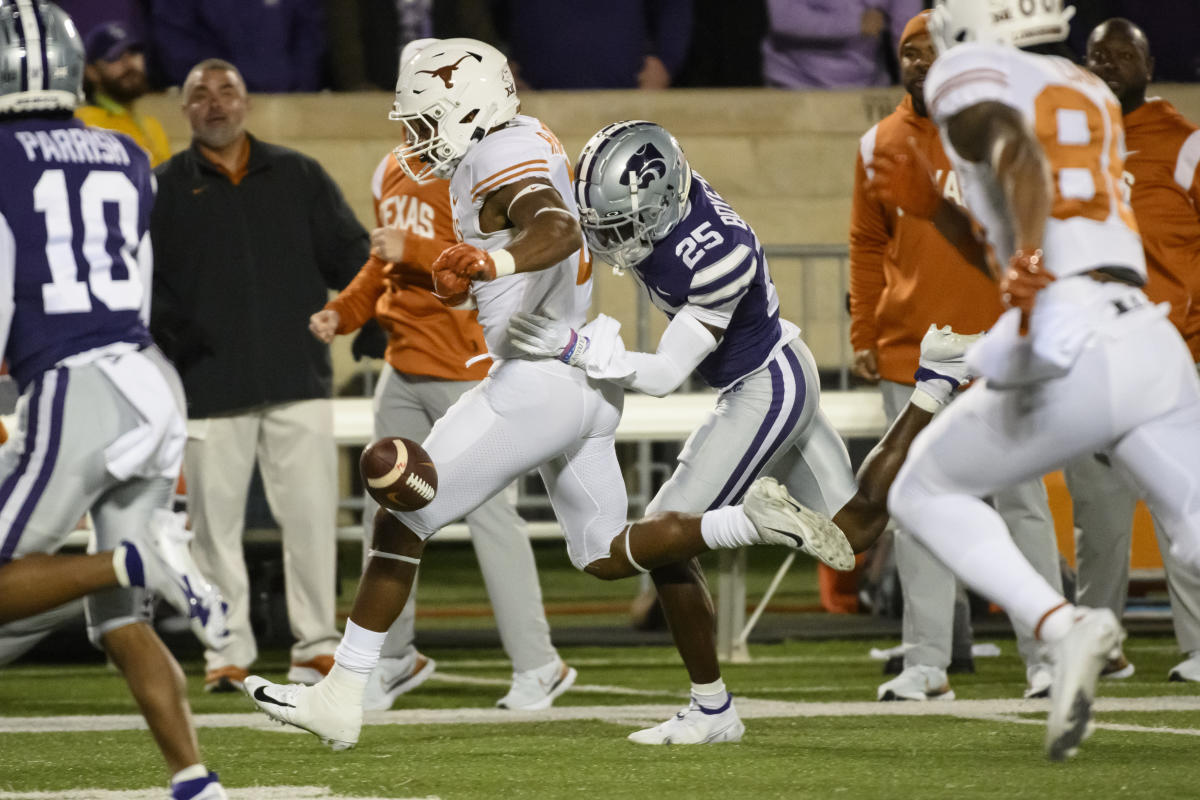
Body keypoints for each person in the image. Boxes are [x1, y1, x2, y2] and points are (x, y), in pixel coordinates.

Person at [245, 37, 855, 751]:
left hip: (538, 382)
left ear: (467, 110)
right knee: (602, 552)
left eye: (422, 122)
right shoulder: (522, 135)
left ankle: (342, 694)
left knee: (401, 517)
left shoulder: (499, 158)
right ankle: (747, 538)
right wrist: (477, 273)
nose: (413, 139)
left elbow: (557, 227)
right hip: (584, 383)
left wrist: (489, 257)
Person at [505, 111, 980, 740]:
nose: (616, 241)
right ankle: (934, 387)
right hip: (778, 370)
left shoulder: (712, 258)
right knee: (849, 535)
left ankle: (712, 707)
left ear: (661, 201)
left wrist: (577, 349)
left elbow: (663, 376)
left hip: (765, 385)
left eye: (624, 226)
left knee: (663, 537)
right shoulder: (666, 191)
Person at [884, 0, 1200, 761]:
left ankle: (1065, 625)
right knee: (1193, 530)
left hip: (1069, 328)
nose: (927, 55)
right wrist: (942, 214)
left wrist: (1027, 257)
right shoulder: (1083, 86)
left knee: (919, 491)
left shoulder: (970, 73)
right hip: (1147, 334)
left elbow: (1017, 152)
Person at [0, 3, 229, 798]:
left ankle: (138, 557)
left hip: (75, 385)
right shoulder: (125, 151)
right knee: (119, 616)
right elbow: (134, 277)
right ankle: (194, 779)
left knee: (42, 578)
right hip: (147, 377)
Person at [307, 37, 572, 712]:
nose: (410, 133)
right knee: (388, 517)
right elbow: (381, 263)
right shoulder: (390, 170)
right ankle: (392, 658)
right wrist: (345, 310)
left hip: (470, 365)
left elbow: (477, 266)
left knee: (491, 521)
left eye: (424, 118)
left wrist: (419, 249)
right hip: (404, 365)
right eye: (408, 117)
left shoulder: (486, 170)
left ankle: (540, 663)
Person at [850, 10, 1061, 702]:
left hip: (999, 343)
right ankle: (926, 662)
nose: (919, 61)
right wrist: (863, 337)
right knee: (915, 507)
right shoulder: (876, 142)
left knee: (1021, 502)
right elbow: (866, 244)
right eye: (908, 51)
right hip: (914, 346)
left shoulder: (996, 128)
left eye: (931, 50)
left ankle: (1047, 655)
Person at [150, 59, 368, 693]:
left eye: (227, 92)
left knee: (311, 520)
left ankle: (317, 645)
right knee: (214, 533)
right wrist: (173, 332)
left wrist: (365, 316)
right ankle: (227, 650)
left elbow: (351, 255)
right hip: (208, 389)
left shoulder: (298, 174)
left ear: (246, 104)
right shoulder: (160, 188)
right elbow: (141, 278)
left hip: (298, 378)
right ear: (184, 109)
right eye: (201, 95)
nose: (215, 105)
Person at [1064, 17, 1200, 683]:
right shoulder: (1064, 142)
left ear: (1149, 64)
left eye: (1125, 53)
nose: (1111, 63)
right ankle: (1101, 645)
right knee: (1099, 517)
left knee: (1187, 508)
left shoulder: (1184, 143)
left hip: (1173, 356)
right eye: (1099, 55)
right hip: (1093, 359)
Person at [498, 0, 691, 90]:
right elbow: (492, 14)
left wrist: (666, 62)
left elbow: (674, 7)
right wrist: (499, 69)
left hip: (626, 98)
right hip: (534, 101)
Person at [149, 0, 326, 92]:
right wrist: (227, 89)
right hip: (214, 109)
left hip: (289, 105)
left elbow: (309, 35)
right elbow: (177, 45)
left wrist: (301, 89)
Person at [762, 0, 922, 89]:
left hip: (866, 86)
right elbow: (783, 19)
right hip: (796, 81)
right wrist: (853, 24)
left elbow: (906, 30)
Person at [76, 20, 170, 166]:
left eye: (133, 53)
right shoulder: (82, 124)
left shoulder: (153, 126)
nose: (128, 63)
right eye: (114, 57)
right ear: (92, 72)